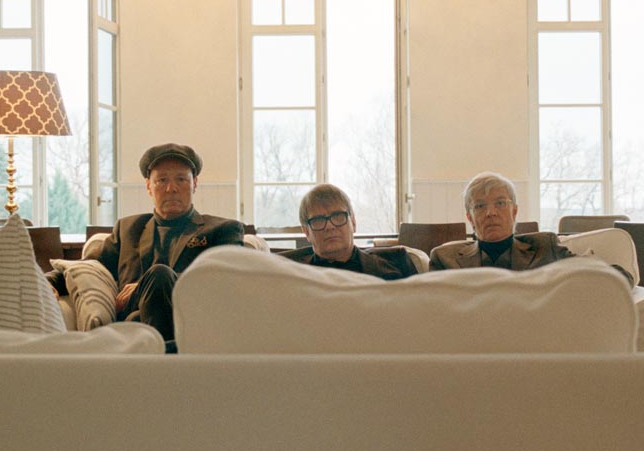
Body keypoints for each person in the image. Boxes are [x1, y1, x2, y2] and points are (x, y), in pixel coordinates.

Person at [97, 143, 245, 345]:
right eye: (162, 180)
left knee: (158, 276)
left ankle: (162, 355)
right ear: (148, 186)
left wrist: (142, 287)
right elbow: (92, 267)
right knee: (136, 318)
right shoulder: (128, 229)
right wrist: (54, 281)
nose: (171, 189)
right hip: (136, 329)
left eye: (181, 179)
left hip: (193, 324)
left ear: (194, 184)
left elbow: (226, 279)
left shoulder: (222, 230)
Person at [429, 171, 583, 272]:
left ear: (514, 211)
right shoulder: (445, 259)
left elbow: (588, 274)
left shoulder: (546, 247)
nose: (491, 213)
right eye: (480, 206)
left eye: (500, 203)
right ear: (470, 218)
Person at [281, 184, 418, 279]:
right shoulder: (289, 277)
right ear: (306, 232)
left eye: (338, 216)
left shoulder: (393, 268)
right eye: (319, 220)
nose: (330, 226)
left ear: (353, 223)